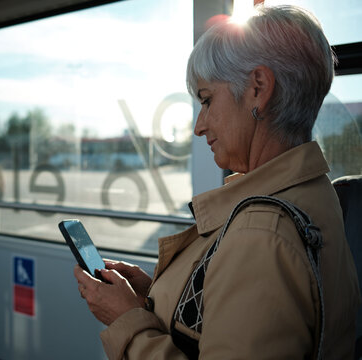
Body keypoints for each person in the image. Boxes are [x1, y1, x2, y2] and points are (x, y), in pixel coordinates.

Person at [74, 5, 361, 359]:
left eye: (207, 100)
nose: (199, 125)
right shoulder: (315, 192)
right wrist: (157, 294)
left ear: (258, 88)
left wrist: (127, 323)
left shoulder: (261, 233)